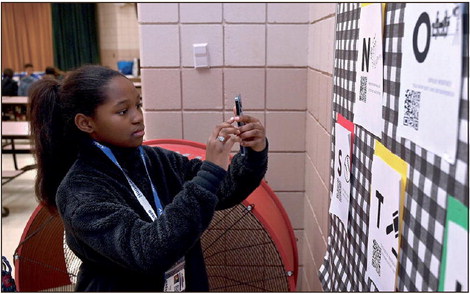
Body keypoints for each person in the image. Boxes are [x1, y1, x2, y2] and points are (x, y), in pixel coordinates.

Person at [28, 65, 268, 291]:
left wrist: (252, 154)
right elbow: (148, 251)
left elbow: (223, 191)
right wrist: (212, 168)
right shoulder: (79, 191)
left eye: (138, 105)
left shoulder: (155, 159)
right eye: (123, 111)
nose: (137, 117)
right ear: (86, 122)